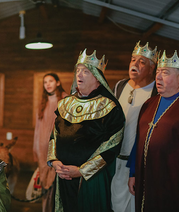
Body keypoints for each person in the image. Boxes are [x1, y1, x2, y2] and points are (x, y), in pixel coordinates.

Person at [47, 49, 125, 212]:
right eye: (78, 70)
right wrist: (54, 162)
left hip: (91, 179)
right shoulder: (65, 103)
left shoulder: (110, 107)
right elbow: (55, 134)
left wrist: (82, 170)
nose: (79, 75)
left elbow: (112, 145)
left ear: (98, 78)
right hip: (63, 176)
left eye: (86, 71)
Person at [128, 50, 179, 212]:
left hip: (175, 180)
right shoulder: (149, 103)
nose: (158, 77)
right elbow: (139, 140)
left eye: (165, 73)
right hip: (145, 178)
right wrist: (133, 172)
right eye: (158, 72)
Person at [111, 41, 158, 212]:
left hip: (137, 165)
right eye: (132, 60)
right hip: (114, 159)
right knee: (114, 205)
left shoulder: (156, 93)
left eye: (142, 62)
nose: (135, 64)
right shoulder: (119, 86)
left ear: (152, 68)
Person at [33, 73, 67, 212]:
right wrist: (36, 149)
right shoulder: (42, 102)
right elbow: (37, 129)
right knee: (45, 184)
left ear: (58, 82)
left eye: (51, 81)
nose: (47, 84)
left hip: (58, 149)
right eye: (45, 82)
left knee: (56, 182)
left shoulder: (65, 99)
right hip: (43, 149)